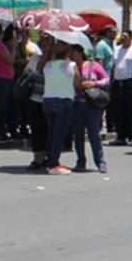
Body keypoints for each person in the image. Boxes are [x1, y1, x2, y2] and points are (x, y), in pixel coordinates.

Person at [42, 40, 80, 175]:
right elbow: (77, 83)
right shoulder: (72, 65)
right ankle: (53, 164)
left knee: (52, 132)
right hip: (64, 100)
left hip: (48, 99)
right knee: (59, 134)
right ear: (68, 52)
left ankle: (51, 160)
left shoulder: (48, 65)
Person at [71, 43, 108, 173]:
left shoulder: (93, 65)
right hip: (76, 104)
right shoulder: (70, 66)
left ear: (80, 53)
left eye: (73, 52)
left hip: (92, 104)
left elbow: (106, 79)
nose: (71, 55)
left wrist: (94, 83)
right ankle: (81, 161)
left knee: (94, 134)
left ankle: (100, 162)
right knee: (78, 135)